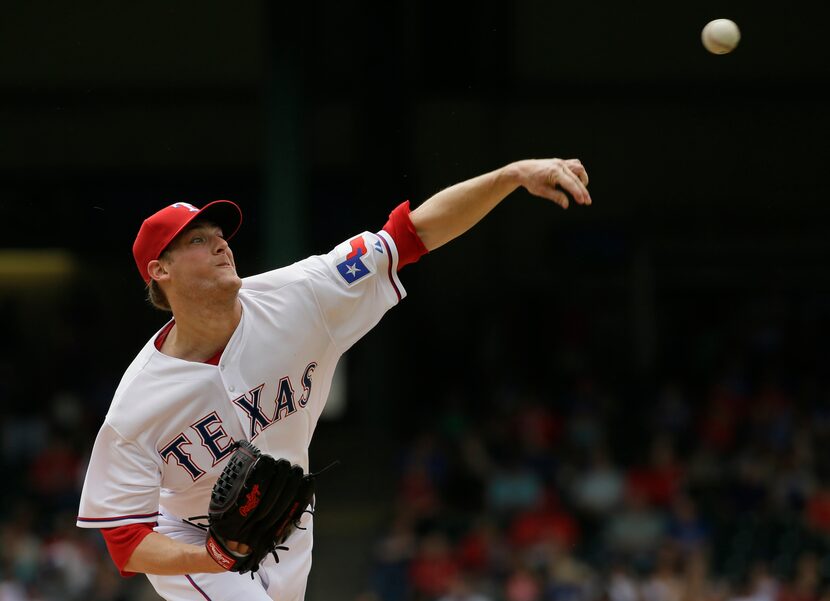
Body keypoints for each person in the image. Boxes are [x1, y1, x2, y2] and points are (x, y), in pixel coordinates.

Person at [76, 157, 592, 601]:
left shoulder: (300, 295)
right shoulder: (136, 404)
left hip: (286, 523)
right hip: (190, 539)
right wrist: (212, 556)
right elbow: (125, 541)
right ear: (160, 271)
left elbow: (409, 235)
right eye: (197, 240)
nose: (219, 245)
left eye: (219, 235)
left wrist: (510, 175)